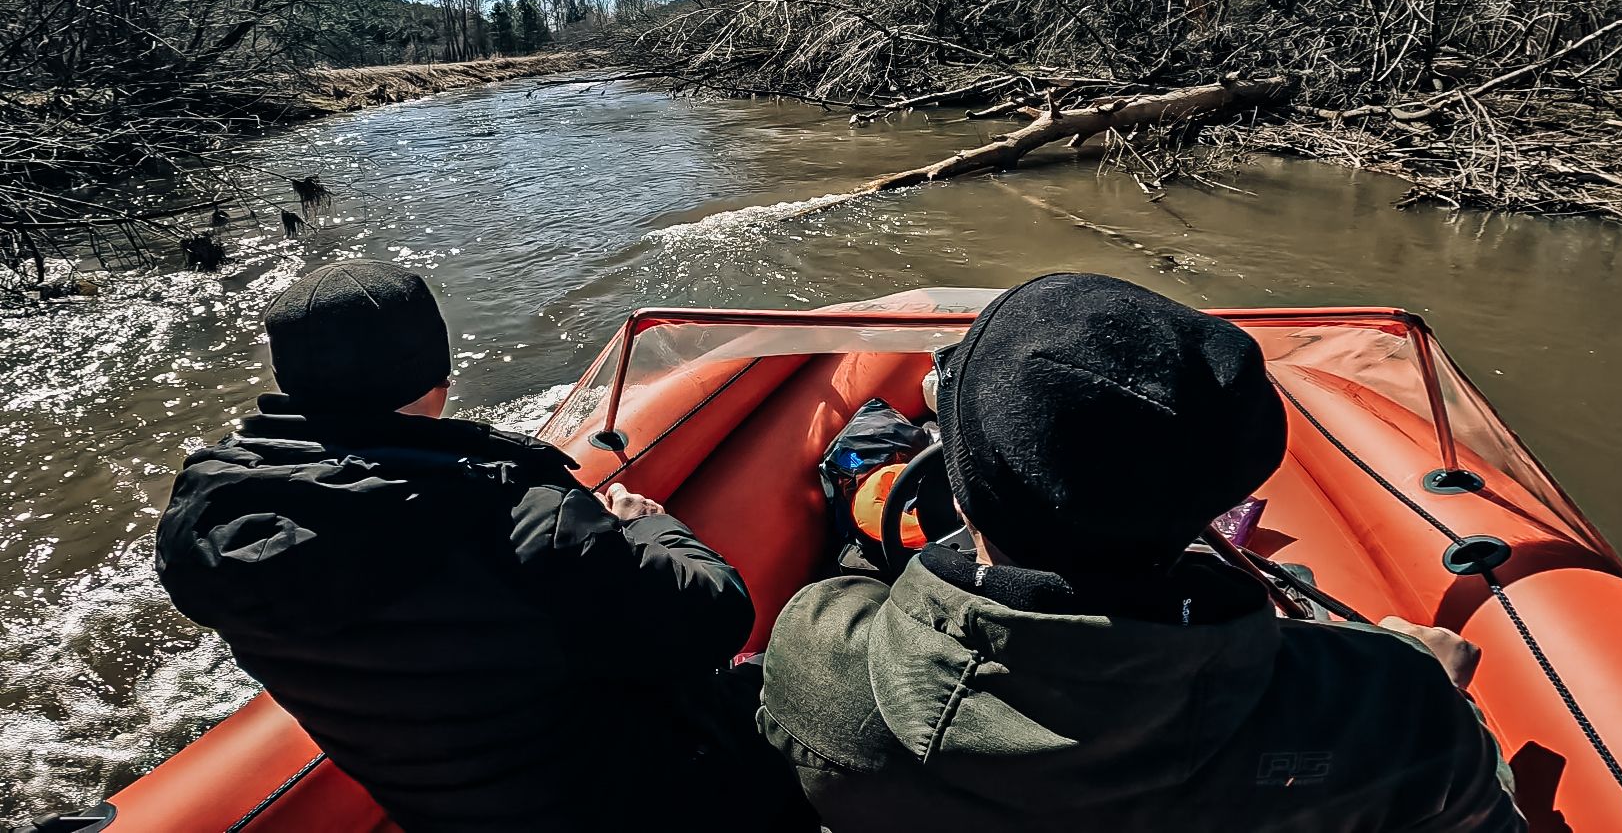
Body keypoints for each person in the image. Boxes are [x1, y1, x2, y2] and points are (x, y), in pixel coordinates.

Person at [758, 273, 1525, 832]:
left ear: (959, 496)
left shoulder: (821, 657)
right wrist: (1434, 687)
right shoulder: (1389, 703)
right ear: (1217, 500)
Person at [154, 260, 772, 833]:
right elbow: (719, 617)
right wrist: (645, 526)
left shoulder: (202, 527)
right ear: (437, 376)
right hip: (638, 804)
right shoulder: (521, 520)